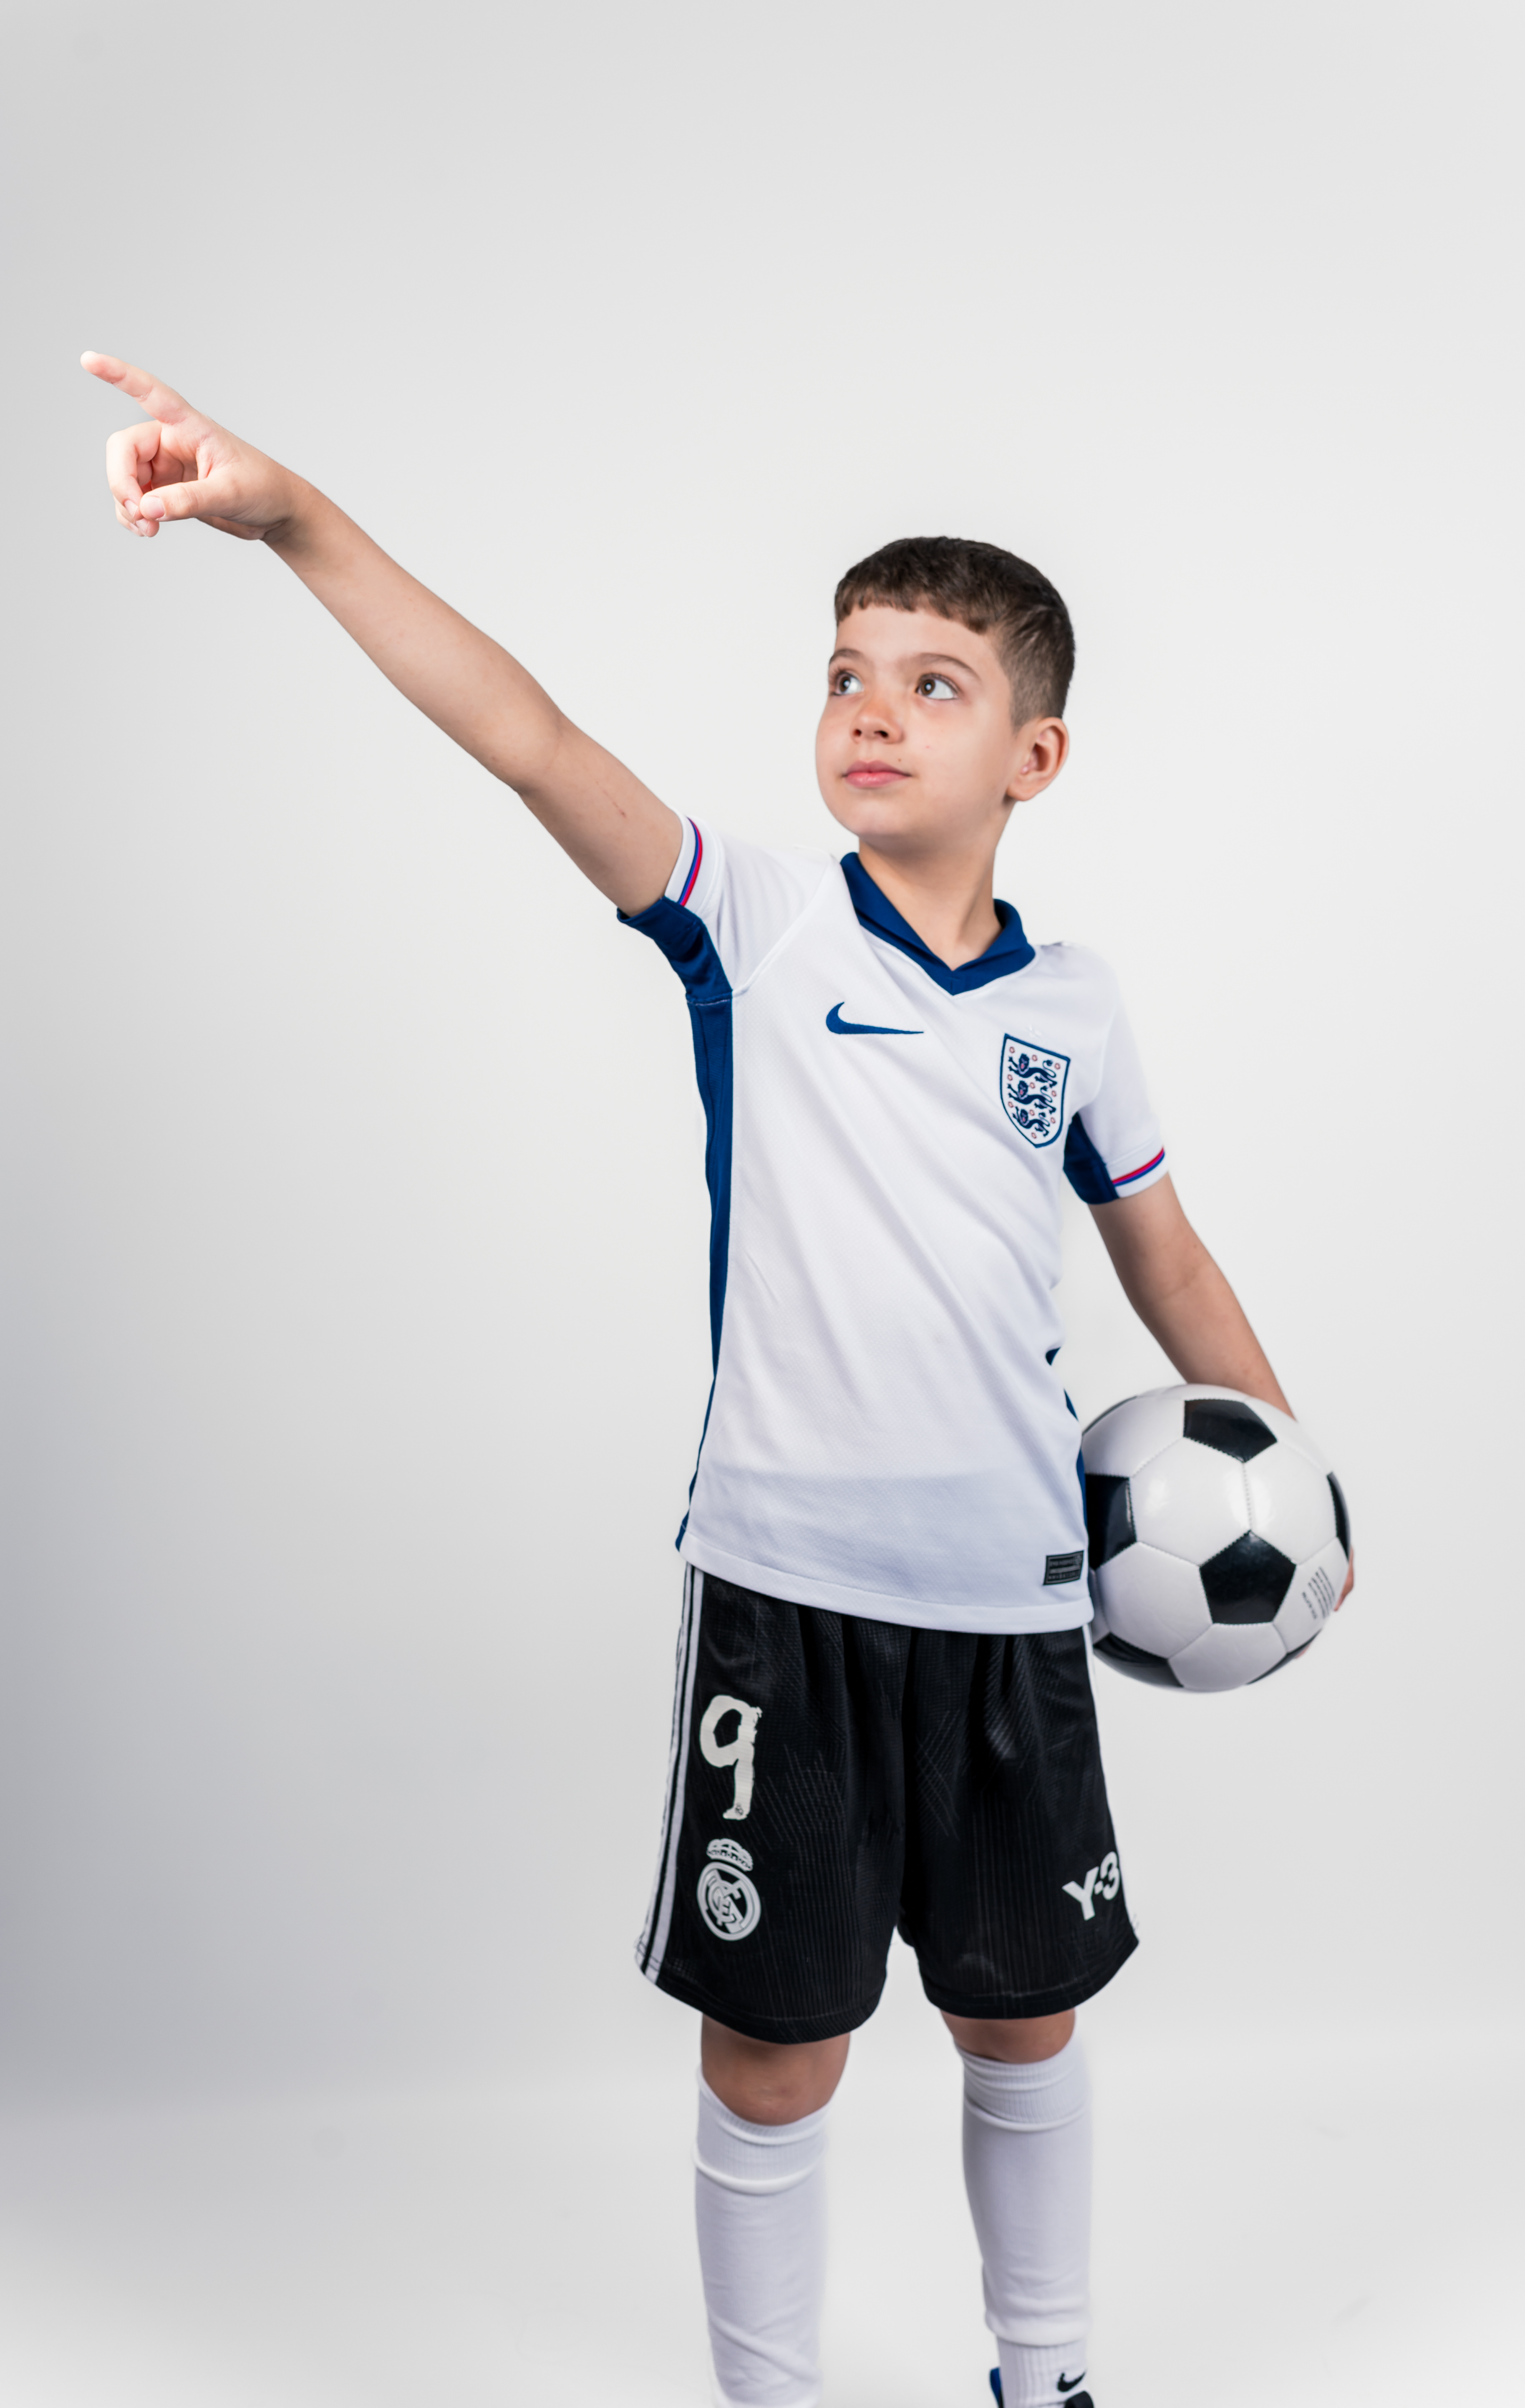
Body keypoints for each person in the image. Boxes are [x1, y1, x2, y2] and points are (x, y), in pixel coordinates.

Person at [83, 351, 1352, 2408]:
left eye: (933, 683)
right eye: (847, 671)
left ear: (1036, 754)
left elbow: (1168, 1259)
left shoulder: (1077, 1005)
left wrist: (1307, 1485)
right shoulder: (754, 926)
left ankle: (1046, 2378)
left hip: (1016, 1604)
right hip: (789, 1594)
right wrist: (292, 514)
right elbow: (526, 736)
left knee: (1024, 2021)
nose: (872, 707)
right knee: (777, 2049)